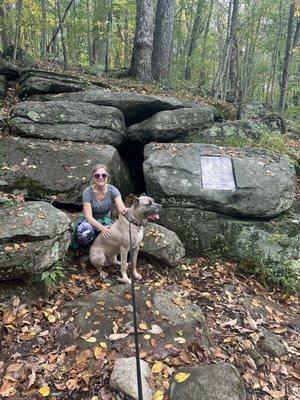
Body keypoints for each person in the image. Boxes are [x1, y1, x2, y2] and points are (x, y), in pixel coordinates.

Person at [73, 164, 128, 248]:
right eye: (97, 175)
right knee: (85, 231)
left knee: (117, 232)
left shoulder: (113, 190)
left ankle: (104, 249)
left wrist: (131, 210)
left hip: (106, 220)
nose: (100, 177)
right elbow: (88, 216)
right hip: (90, 221)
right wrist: (102, 228)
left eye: (104, 175)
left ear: (107, 177)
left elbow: (121, 208)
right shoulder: (87, 192)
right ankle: (86, 248)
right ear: (93, 177)